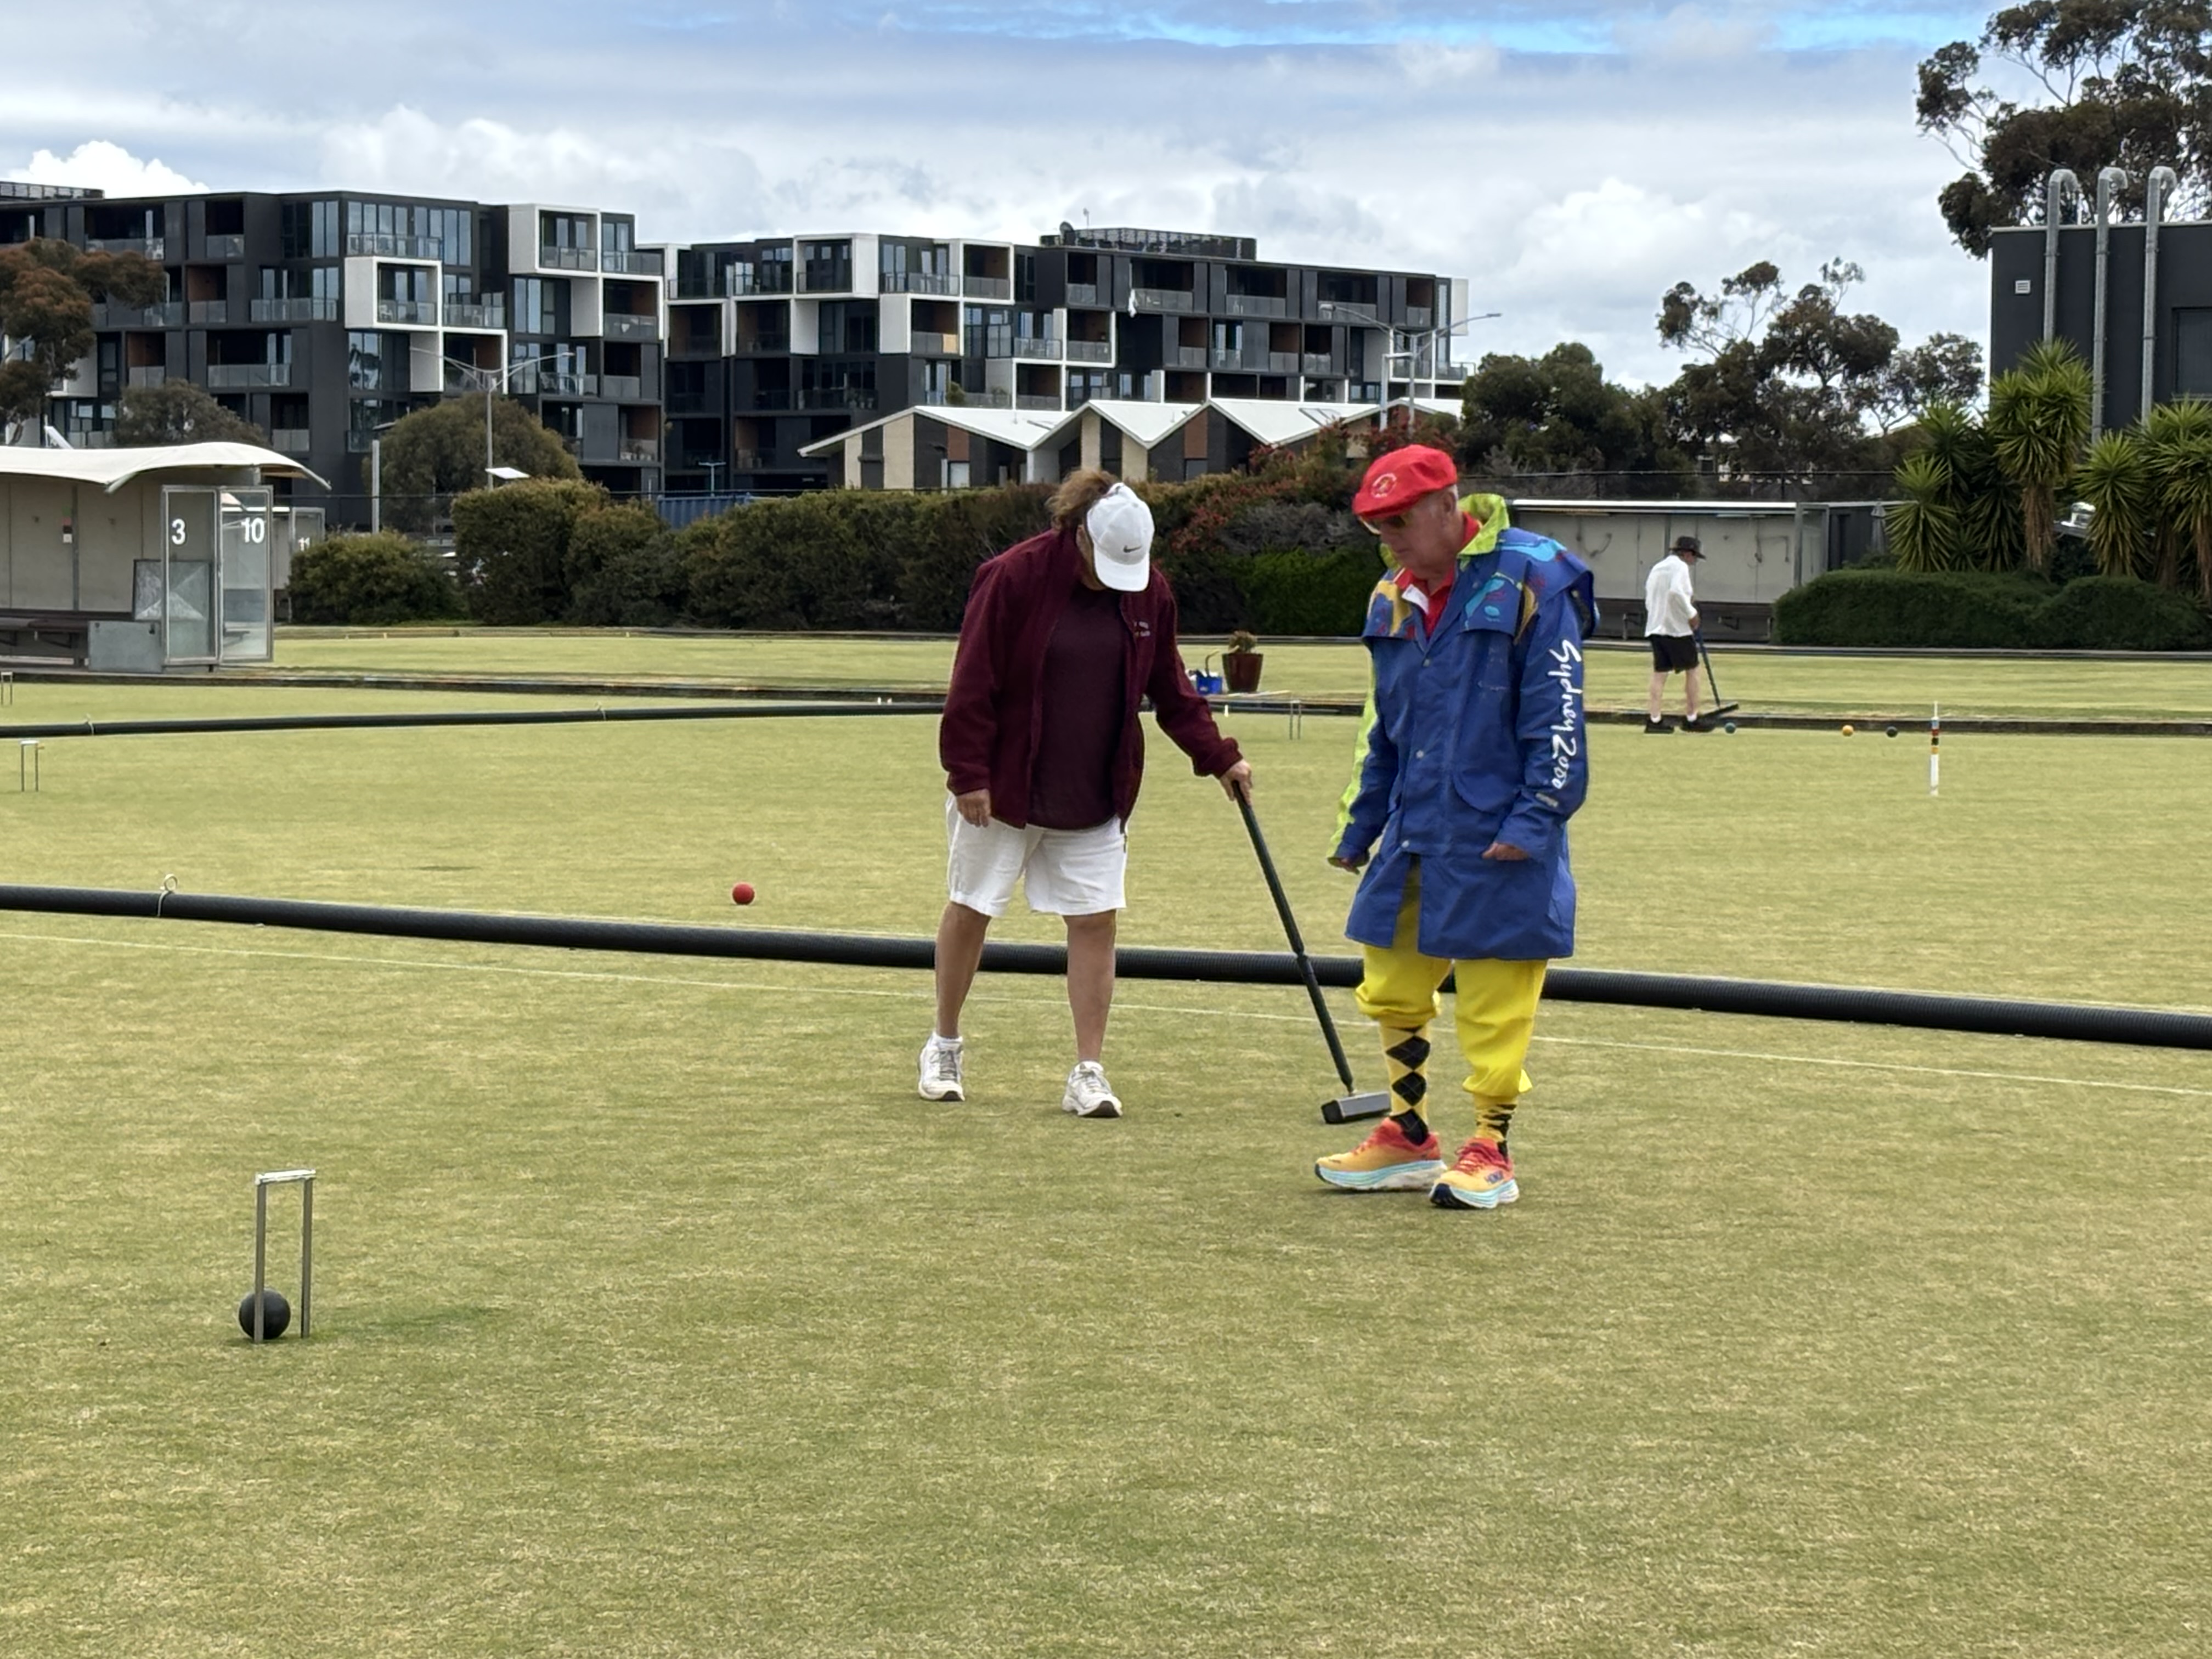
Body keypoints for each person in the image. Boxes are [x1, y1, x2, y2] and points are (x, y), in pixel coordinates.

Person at [1314, 444, 1594, 1209]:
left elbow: (1558, 714)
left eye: (1400, 521)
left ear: (1448, 507)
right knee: (1391, 981)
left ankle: (1491, 1148)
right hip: (1413, 829)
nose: (1391, 539)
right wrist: (1360, 824)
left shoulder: (1536, 577)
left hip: (1500, 829)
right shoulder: (1390, 597)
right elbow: (1387, 726)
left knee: (1495, 998)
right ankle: (1407, 1135)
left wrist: (1537, 816)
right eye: (1378, 526)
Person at [924, 470, 1252, 1118]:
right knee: (972, 906)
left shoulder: (1147, 590)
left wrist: (1218, 757)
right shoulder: (1012, 577)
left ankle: (1088, 1070)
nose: (1111, 579)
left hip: (1097, 787)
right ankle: (944, 1043)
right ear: (1076, 534)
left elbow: (1172, 685)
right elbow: (973, 680)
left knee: (1096, 919)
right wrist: (969, 775)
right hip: (1005, 786)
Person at [1643, 534, 1709, 732]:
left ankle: (1654, 720)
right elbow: (1676, 593)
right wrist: (1692, 614)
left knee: (1660, 673)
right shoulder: (1680, 567)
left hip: (1656, 627)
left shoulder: (1657, 568)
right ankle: (1691, 717)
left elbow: (1649, 598)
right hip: (1676, 630)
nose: (1694, 561)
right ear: (1688, 554)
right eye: (1694, 557)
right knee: (1693, 670)